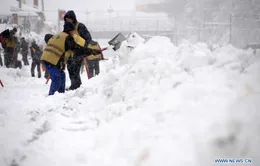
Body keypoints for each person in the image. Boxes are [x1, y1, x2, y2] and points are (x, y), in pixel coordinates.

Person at [41, 22, 94, 95]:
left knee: (62, 75)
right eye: (73, 31)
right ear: (70, 30)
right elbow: (76, 48)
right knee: (56, 79)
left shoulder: (60, 35)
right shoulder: (67, 37)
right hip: (50, 60)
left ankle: (60, 94)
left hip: (49, 59)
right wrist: (89, 51)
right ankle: (52, 97)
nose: (74, 33)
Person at [64, 10, 92, 90]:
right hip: (69, 53)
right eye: (66, 19)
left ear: (73, 19)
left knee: (75, 69)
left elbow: (88, 38)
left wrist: (83, 48)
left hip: (78, 52)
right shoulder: (66, 28)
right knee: (70, 69)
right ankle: (76, 86)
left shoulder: (80, 26)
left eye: (69, 19)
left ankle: (75, 86)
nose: (68, 20)